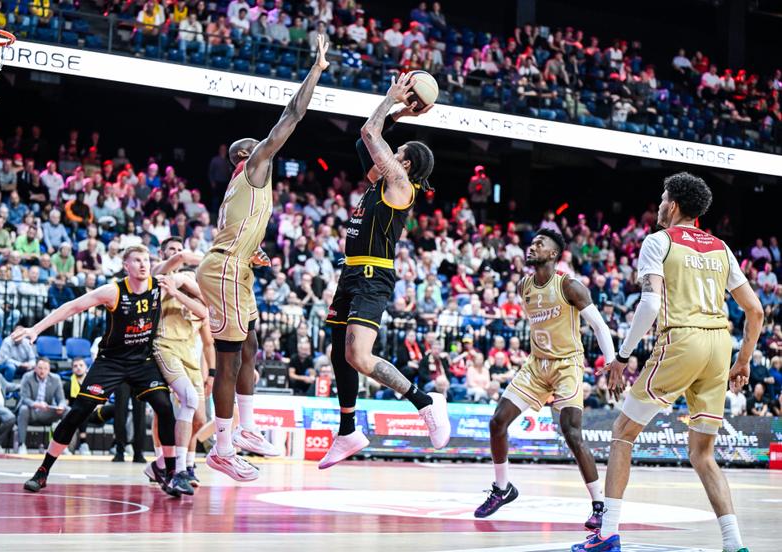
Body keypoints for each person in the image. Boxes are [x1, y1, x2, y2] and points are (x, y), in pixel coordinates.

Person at [573, 173, 762, 552]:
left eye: (661, 199)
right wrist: (742, 363)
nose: (658, 205)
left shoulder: (659, 241)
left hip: (682, 338)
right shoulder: (721, 248)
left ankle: (607, 533)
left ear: (672, 205)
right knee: (702, 453)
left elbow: (650, 304)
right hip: (720, 345)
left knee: (622, 432)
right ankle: (734, 543)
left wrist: (622, 357)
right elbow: (755, 311)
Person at [195, 36, 329, 482]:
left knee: (249, 346)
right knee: (230, 358)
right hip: (225, 270)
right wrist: (316, 70)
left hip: (236, 266)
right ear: (245, 156)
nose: (269, 150)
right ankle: (223, 447)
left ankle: (247, 430)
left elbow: (238, 231)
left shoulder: (246, 187)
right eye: (260, 146)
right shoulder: (252, 166)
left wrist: (254, 253)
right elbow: (291, 116)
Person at [320, 73, 449, 470]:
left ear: (404, 162)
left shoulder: (399, 185)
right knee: (338, 351)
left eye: (397, 150)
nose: (387, 151)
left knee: (359, 355)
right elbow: (365, 141)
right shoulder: (379, 181)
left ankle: (424, 402)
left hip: (374, 276)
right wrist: (402, 112)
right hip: (351, 273)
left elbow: (368, 130)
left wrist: (391, 99)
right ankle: (347, 430)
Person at [15, 245, 188, 497]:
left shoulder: (160, 285)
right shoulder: (113, 291)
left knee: (164, 405)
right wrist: (36, 329)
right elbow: (73, 307)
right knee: (78, 412)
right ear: (125, 266)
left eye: (146, 260)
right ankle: (43, 470)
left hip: (142, 362)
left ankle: (171, 473)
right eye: (137, 261)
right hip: (111, 362)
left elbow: (190, 278)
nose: (143, 265)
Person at [475, 229, 616, 530]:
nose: (532, 245)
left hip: (567, 364)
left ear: (553, 254)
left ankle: (599, 505)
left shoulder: (569, 286)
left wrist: (612, 361)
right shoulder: (525, 285)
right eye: (532, 242)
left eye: (540, 243)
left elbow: (600, 326)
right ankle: (503, 488)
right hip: (537, 364)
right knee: (497, 422)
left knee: (571, 432)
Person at [144, 237, 219, 489]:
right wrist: (221, 260)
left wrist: (211, 373)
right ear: (162, 253)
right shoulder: (157, 275)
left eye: (179, 249)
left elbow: (208, 334)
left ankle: (180, 464)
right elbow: (179, 263)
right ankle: (168, 464)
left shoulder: (190, 289)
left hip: (190, 357)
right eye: (172, 251)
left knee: (199, 416)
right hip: (161, 349)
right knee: (162, 410)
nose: (177, 254)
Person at [16, 358, 67, 455]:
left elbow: (62, 399)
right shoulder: (27, 377)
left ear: (49, 370)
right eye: (40, 368)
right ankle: (21, 445)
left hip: (48, 411)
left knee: (67, 411)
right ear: (35, 368)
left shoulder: (56, 379)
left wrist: (61, 406)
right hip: (32, 411)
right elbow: (24, 398)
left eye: (45, 368)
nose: (42, 371)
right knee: (23, 409)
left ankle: (62, 446)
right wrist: (36, 405)